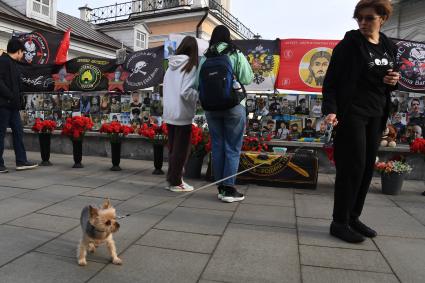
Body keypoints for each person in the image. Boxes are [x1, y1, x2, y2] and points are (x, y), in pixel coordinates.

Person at [322, 0, 400, 243]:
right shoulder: (349, 45)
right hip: (352, 112)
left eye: (369, 18)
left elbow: (390, 78)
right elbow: (331, 80)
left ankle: (354, 217)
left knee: (367, 167)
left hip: (377, 113)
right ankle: (339, 222)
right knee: (351, 167)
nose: (364, 23)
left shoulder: (387, 44)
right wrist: (331, 110)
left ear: (382, 19)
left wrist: (393, 81)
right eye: (360, 18)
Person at [196, 25, 254, 203]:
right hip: (234, 106)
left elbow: (196, 84)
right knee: (232, 147)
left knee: (218, 146)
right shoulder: (235, 53)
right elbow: (247, 78)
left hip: (211, 108)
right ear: (228, 37)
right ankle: (229, 189)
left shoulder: (205, 57)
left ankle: (221, 187)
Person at [163, 36, 199, 192]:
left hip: (170, 112)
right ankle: (177, 182)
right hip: (182, 112)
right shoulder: (190, 66)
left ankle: (172, 179)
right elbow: (186, 92)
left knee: (173, 149)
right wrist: (199, 96)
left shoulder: (171, 66)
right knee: (181, 150)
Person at [0, 39, 38, 173]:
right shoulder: (3, 61)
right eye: (22, 52)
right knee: (1, 133)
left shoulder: (13, 63)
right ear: (18, 51)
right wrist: (10, 95)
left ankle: (21, 161)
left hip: (13, 106)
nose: (23, 55)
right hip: (3, 105)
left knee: (18, 132)